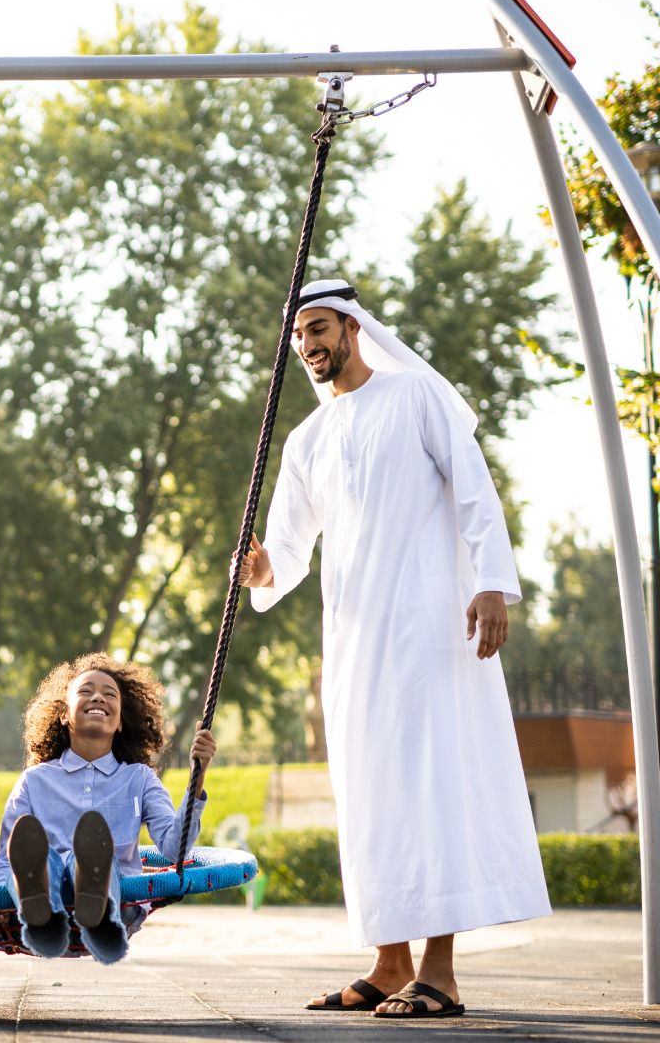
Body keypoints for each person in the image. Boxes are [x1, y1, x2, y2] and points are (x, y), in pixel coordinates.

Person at [235, 279, 550, 1020]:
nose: (308, 345)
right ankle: (387, 962)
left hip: (427, 633)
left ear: (351, 327)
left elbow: (476, 491)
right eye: (298, 336)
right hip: (353, 643)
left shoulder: (416, 397)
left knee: (427, 788)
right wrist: (259, 571)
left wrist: (493, 584)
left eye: (318, 329)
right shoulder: (308, 439)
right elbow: (286, 549)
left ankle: (439, 973)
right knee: (371, 796)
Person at [0, 652, 214, 964]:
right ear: (63, 715)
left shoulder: (138, 778)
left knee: (96, 855)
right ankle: (44, 916)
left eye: (110, 694)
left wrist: (198, 774)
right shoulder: (35, 781)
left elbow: (173, 848)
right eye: (85, 691)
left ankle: (100, 912)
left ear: (121, 721)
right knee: (42, 858)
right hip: (49, 885)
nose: (98, 696)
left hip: (119, 897)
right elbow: (8, 860)